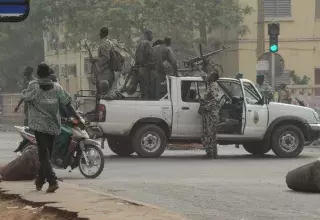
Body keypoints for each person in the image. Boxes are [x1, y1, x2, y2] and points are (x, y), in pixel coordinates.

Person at [21, 63, 79, 193]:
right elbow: (68, 104)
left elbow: (26, 97)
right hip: (53, 126)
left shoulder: (33, 86)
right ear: (49, 74)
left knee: (44, 155)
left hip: (39, 126)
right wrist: (78, 118)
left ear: (38, 74)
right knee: (47, 155)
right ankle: (40, 181)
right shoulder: (58, 88)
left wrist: (24, 93)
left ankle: (52, 181)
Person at [199, 69, 222, 159]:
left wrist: (205, 107)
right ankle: (210, 153)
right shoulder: (211, 84)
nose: (208, 75)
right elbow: (205, 76)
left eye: (210, 75)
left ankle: (212, 154)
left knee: (211, 134)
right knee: (207, 134)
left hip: (212, 114)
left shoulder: (214, 86)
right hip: (208, 114)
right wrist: (199, 68)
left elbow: (216, 100)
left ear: (213, 78)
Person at [133, 29, 153, 99]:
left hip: (139, 69)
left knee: (142, 89)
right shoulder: (149, 43)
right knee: (147, 89)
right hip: (146, 69)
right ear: (148, 35)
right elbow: (150, 55)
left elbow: (136, 56)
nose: (152, 36)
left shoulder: (139, 44)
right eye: (151, 34)